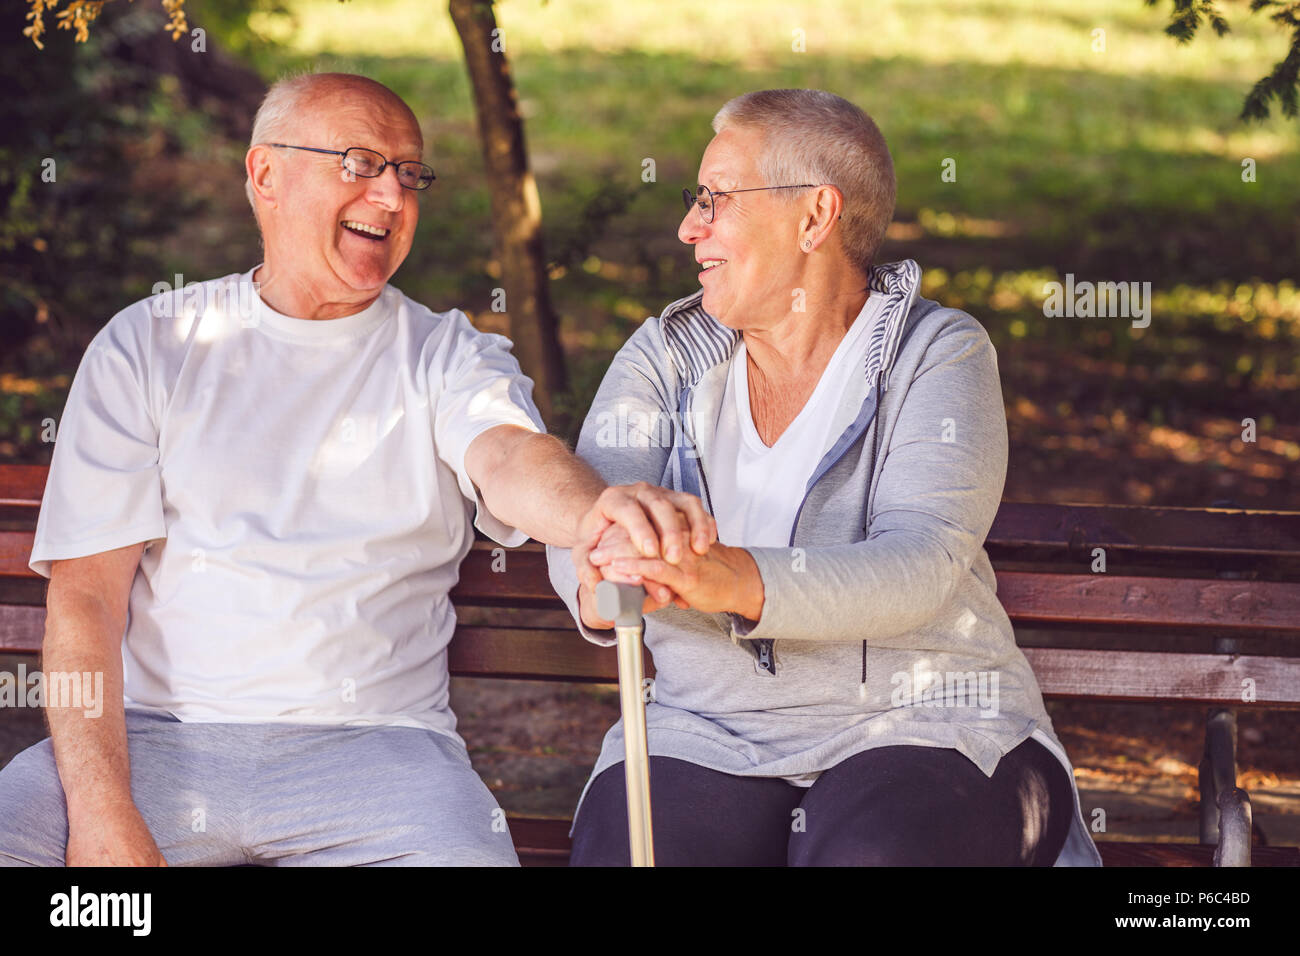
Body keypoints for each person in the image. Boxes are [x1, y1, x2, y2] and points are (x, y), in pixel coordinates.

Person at [0, 72, 714, 867]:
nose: (393, 194)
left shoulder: (447, 356)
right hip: (155, 744)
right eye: (360, 162)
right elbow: (84, 602)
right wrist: (102, 815)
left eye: (409, 173)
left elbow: (510, 453)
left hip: (381, 757)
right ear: (265, 174)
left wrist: (595, 515)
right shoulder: (150, 345)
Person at [548, 89, 1104, 866]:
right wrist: (603, 561)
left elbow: (918, 565)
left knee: (875, 855)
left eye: (716, 200)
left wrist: (722, 577)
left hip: (924, 721)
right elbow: (590, 508)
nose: (688, 227)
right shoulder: (664, 357)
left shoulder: (936, 354)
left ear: (815, 216)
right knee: (633, 849)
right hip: (708, 730)